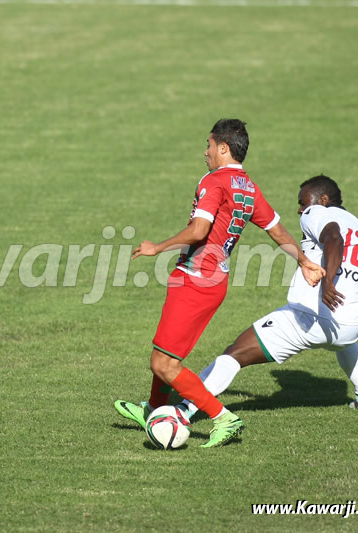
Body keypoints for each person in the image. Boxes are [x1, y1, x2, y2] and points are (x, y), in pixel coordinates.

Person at [114, 119, 324, 448]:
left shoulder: (213, 182)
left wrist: (158, 247)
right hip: (213, 279)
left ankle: (222, 417)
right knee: (164, 351)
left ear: (223, 148)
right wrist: (304, 261)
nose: (205, 152)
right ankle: (154, 409)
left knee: (164, 363)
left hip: (197, 278)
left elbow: (199, 230)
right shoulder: (248, 187)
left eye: (209, 145)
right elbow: (277, 230)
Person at [178, 175, 358, 420]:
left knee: (235, 353)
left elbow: (333, 238)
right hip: (350, 325)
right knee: (344, 341)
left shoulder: (316, 213)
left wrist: (327, 282)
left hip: (310, 317)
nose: (300, 209)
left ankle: (181, 411)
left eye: (303, 202)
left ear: (322, 200)